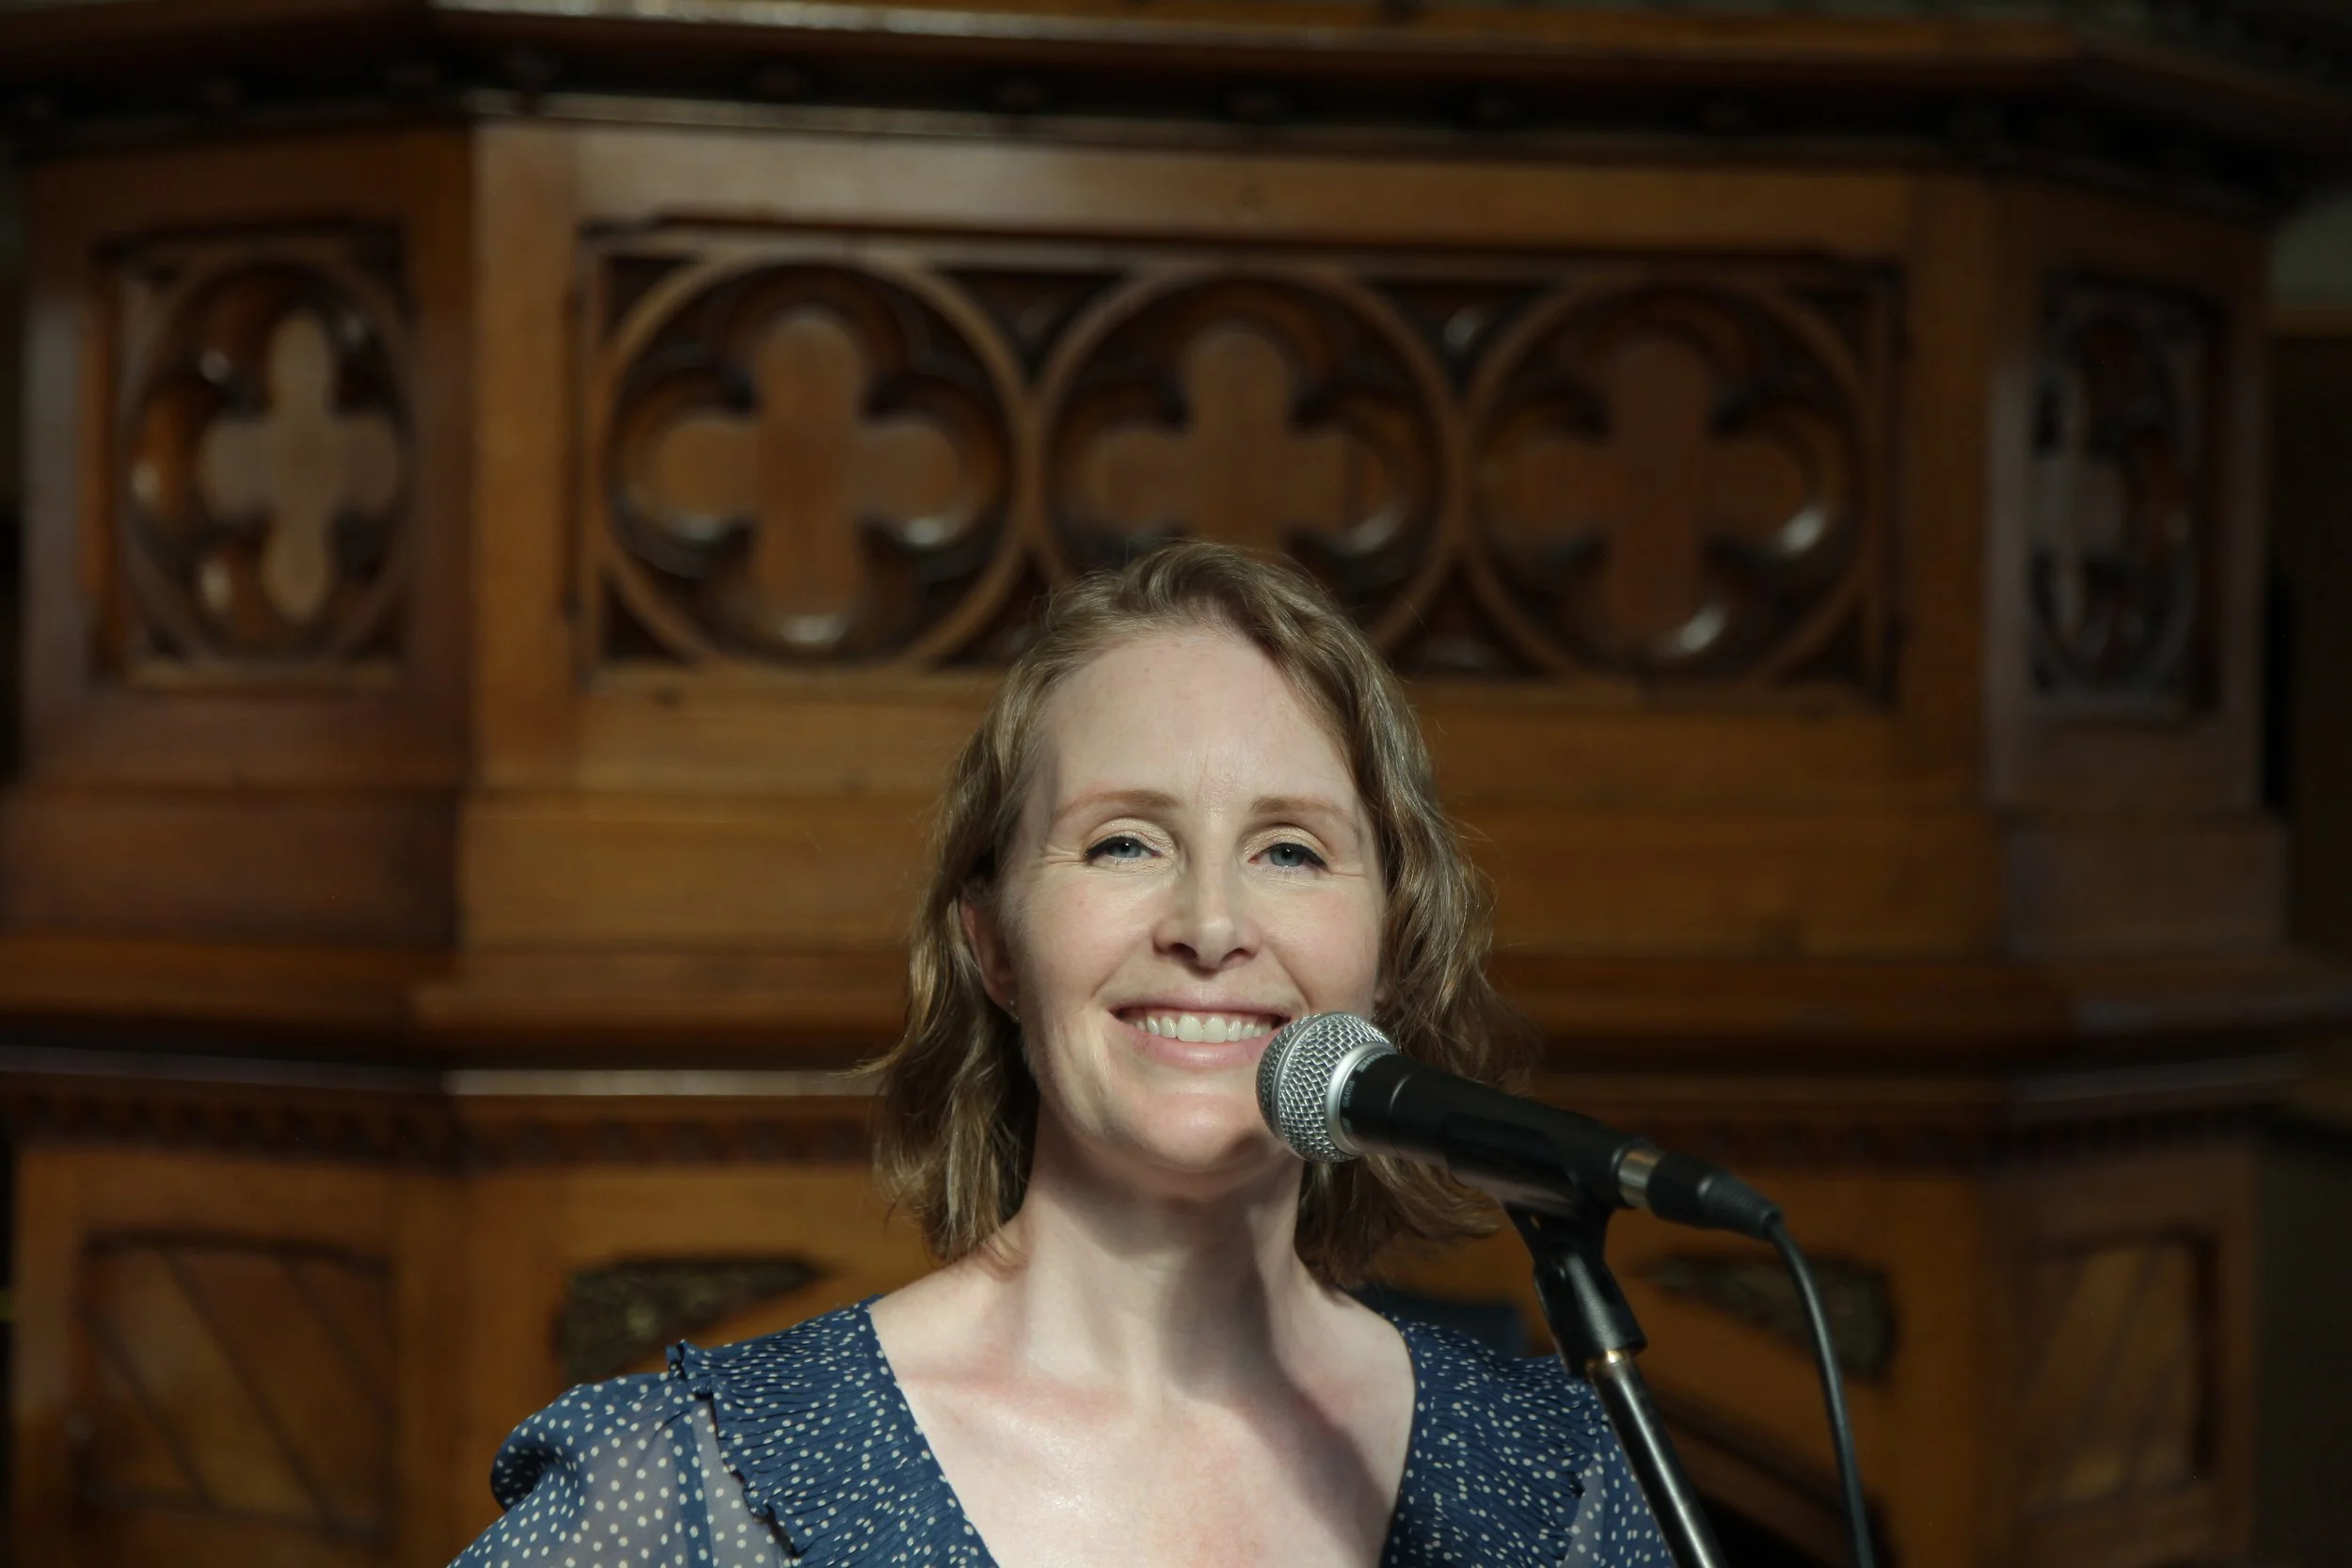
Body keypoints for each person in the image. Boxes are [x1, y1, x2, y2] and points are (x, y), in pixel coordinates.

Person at [453, 543, 1667, 1567]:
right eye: (1123, 843)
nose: (1208, 924)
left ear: (1389, 947)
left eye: (1290, 850)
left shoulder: (1551, 1486)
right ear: (991, 940)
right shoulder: (697, 1485)